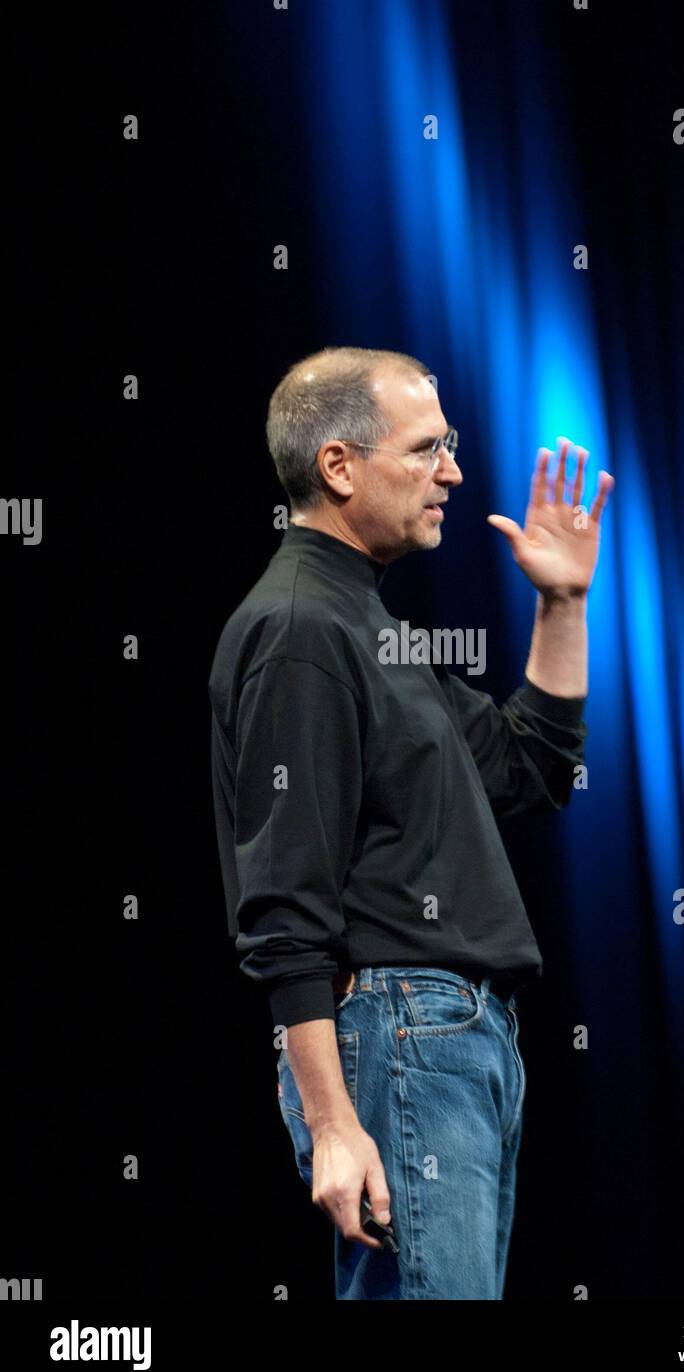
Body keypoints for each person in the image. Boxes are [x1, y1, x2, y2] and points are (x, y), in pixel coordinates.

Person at [208, 346, 613, 1299]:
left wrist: (562, 601)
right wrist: (334, 1121)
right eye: (427, 448)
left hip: (449, 1041)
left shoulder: (366, 624)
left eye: (453, 445)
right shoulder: (302, 629)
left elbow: (531, 769)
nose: (454, 474)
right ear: (340, 466)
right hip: (399, 1038)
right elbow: (282, 905)